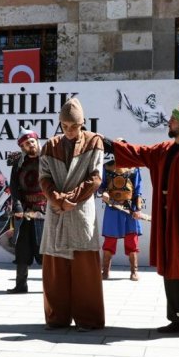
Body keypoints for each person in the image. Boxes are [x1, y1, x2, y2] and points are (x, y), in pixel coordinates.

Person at [104, 100, 179, 339]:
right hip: (168, 218)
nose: (169, 122)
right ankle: (178, 319)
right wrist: (111, 145)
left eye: (173, 120)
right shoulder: (166, 149)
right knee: (172, 267)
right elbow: (141, 153)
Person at [39, 97, 105, 330]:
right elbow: (44, 177)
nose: (69, 131)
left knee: (85, 268)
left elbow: (95, 177)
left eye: (74, 126)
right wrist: (56, 198)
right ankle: (57, 318)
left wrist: (72, 199)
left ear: (83, 123)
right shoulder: (49, 145)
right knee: (55, 267)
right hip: (56, 210)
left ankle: (88, 318)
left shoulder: (94, 142)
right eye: (65, 126)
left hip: (80, 211)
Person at [6, 127, 46, 294]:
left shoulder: (48, 159)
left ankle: (51, 286)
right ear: (22, 147)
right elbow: (14, 187)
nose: (30, 145)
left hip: (45, 211)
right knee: (22, 249)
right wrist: (17, 207)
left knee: (45, 251)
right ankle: (21, 285)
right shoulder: (18, 163)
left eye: (32, 141)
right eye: (26, 143)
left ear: (36, 141)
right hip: (24, 211)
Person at [98, 148, 144, 281]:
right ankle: (105, 271)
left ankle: (134, 271)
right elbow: (101, 186)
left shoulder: (134, 168)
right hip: (112, 207)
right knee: (109, 240)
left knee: (132, 240)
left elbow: (138, 190)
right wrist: (104, 192)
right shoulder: (106, 167)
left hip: (130, 208)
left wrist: (138, 209)